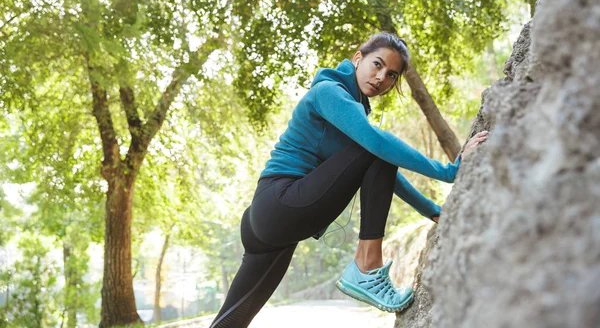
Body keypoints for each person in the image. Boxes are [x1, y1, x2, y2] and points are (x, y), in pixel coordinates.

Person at [209, 32, 488, 328]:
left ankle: (366, 267)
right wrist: (448, 171)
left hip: (267, 221)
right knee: (376, 145)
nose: (381, 77)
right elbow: (376, 146)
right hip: (279, 203)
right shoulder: (328, 92)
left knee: (232, 321)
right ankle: (367, 267)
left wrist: (431, 210)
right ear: (358, 59)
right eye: (376, 64)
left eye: (391, 75)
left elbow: (379, 163)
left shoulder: (351, 114)